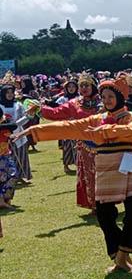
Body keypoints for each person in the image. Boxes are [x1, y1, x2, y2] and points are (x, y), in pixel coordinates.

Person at [16, 76, 132, 273]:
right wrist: (35, 129)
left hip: (126, 168)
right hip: (105, 168)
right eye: (104, 96)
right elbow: (68, 127)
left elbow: (131, 131)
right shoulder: (96, 119)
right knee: (104, 214)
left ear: (119, 98)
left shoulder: (128, 117)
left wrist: (104, 131)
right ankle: (119, 256)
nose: (107, 100)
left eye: (111, 96)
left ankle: (122, 255)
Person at [38, 72, 101, 210]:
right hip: (85, 146)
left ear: (93, 86)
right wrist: (39, 109)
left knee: (105, 174)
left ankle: (107, 202)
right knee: (89, 175)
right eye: (81, 85)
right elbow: (56, 113)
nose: (84, 88)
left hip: (105, 144)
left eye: (87, 85)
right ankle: (94, 205)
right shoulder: (74, 104)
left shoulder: (103, 101)